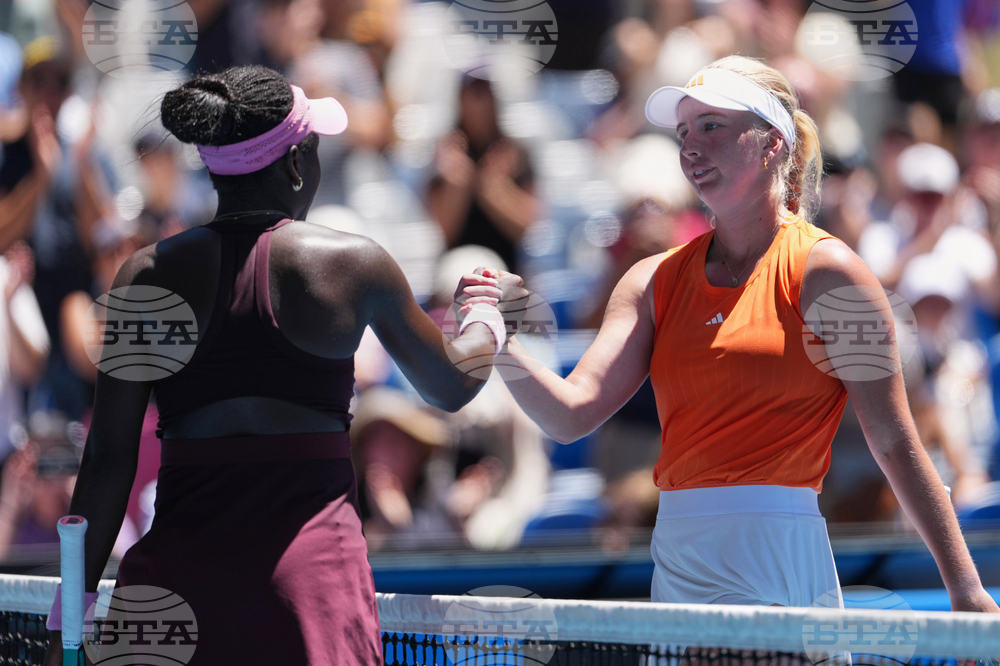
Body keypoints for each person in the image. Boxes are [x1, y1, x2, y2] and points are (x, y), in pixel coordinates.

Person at [477, 56, 1000, 611]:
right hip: (678, 565)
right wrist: (501, 343)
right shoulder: (650, 280)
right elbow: (568, 414)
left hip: (780, 563)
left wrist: (965, 590)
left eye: (711, 127)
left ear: (772, 142)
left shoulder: (831, 274)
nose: (690, 148)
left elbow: (896, 443)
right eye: (683, 132)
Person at [43, 64, 508, 666]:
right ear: (295, 165)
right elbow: (452, 385)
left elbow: (106, 461)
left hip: (174, 598)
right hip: (310, 596)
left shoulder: (145, 276)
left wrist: (65, 627)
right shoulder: (354, 264)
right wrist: (487, 315)